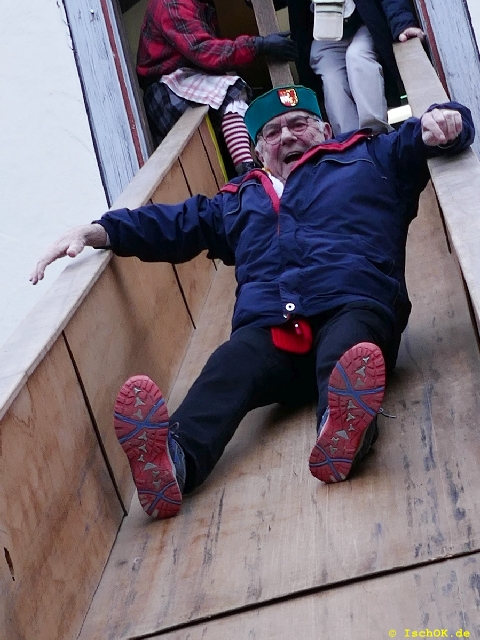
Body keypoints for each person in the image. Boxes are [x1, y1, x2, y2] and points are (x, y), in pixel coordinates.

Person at [30, 85, 473, 520]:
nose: (288, 137)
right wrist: (98, 231)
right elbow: (172, 224)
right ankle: (173, 461)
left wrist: (446, 121)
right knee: (229, 366)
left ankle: (341, 430)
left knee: (347, 347)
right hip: (273, 331)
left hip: (351, 302)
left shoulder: (368, 156)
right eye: (273, 133)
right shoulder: (237, 200)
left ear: (325, 129)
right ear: (259, 151)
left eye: (299, 124)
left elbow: (426, 135)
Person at [136, 0, 297, 175]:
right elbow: (204, 51)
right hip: (166, 89)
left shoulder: (202, 5)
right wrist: (259, 45)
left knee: (233, 123)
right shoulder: (173, 3)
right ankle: (248, 172)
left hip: (186, 84)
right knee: (232, 90)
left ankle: (247, 171)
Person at [309, 0, 425, 134]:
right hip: (325, 32)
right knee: (332, 79)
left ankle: (375, 132)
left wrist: (403, 24)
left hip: (365, 21)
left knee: (358, 57)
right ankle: (349, 140)